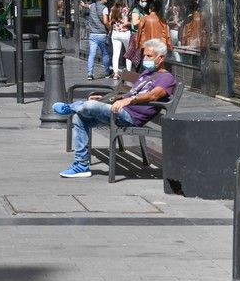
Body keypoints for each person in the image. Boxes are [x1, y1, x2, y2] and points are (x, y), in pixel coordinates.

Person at [53, 39, 176, 178]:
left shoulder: (167, 78)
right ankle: (81, 166)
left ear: (161, 58)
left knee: (88, 106)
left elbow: (153, 95)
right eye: (144, 55)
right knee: (80, 118)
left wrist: (130, 100)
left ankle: (70, 107)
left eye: (149, 56)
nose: (145, 59)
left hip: (131, 118)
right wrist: (106, 99)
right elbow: (129, 93)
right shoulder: (146, 74)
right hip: (119, 112)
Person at [83, 0, 112, 80]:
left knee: (92, 54)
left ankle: (90, 74)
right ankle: (107, 72)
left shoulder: (93, 6)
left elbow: (87, 6)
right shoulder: (104, 8)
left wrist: (83, 4)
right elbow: (105, 21)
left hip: (92, 34)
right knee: (105, 53)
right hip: (102, 34)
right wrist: (110, 28)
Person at [109, 0, 132, 79]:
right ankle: (129, 73)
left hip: (115, 33)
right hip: (125, 33)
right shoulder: (126, 10)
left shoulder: (112, 9)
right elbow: (128, 22)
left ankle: (115, 73)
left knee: (116, 54)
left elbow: (110, 21)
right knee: (128, 54)